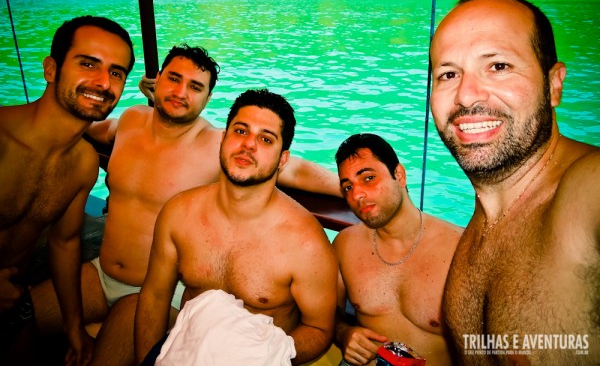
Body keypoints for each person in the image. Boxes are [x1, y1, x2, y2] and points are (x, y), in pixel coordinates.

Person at [32, 44, 341, 366]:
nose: (180, 92)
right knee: (21, 317)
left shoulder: (219, 147)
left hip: (177, 298)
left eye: (194, 87)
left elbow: (294, 169)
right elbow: (87, 126)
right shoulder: (132, 121)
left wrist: (355, 189)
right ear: (156, 80)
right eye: (174, 79)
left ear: (207, 99)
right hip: (107, 272)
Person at [429, 0, 600, 364]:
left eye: (499, 66)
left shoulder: (588, 188)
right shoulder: (482, 225)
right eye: (448, 74)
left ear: (554, 84)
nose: (466, 95)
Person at [134, 88, 338, 364]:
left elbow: (319, 329)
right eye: (241, 131)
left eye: (266, 139)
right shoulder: (179, 213)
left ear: (283, 160)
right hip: (184, 349)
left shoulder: (305, 244)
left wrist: (262, 357)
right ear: (223, 139)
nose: (249, 145)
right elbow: (156, 296)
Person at [0, 15, 135, 366]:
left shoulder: (83, 163)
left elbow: (65, 242)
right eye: (88, 63)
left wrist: (74, 325)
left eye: (116, 72)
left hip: (15, 304)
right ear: (50, 69)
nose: (103, 82)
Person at [332, 133, 462, 365]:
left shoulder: (459, 249)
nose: (357, 194)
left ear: (399, 175)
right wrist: (344, 334)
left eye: (368, 178)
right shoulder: (345, 245)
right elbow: (330, 312)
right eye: (347, 186)